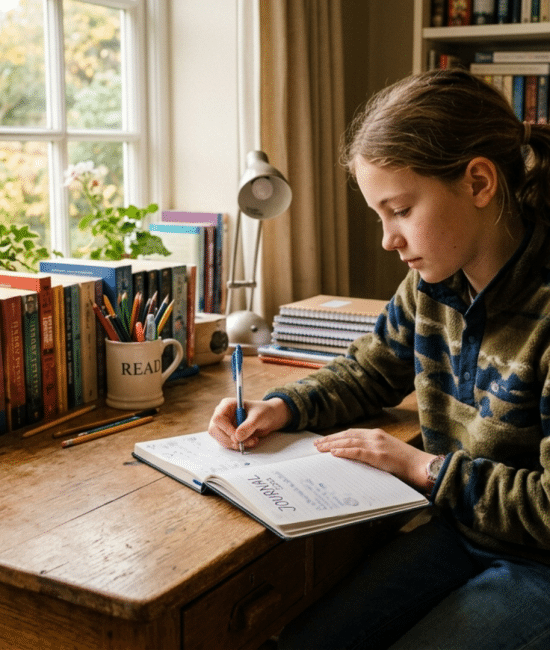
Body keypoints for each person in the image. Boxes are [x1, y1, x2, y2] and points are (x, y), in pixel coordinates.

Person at [208, 68, 550, 649]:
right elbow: (369, 369)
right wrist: (282, 407)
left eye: (400, 210)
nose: (388, 239)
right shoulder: (431, 285)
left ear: (479, 182)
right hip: (460, 531)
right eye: (379, 216)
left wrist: (422, 468)